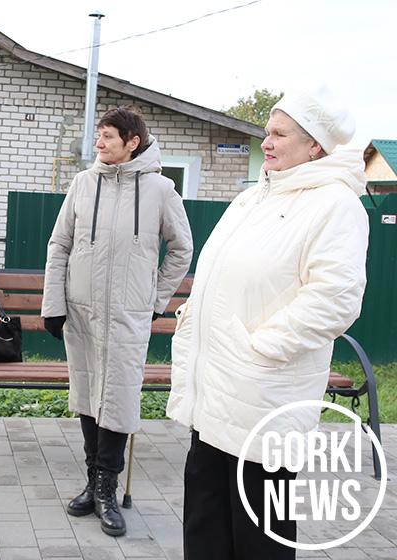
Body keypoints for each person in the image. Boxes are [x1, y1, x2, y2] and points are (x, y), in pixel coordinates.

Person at [166, 88, 369, 560]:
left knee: (260, 534)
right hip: (215, 392)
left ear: (314, 145)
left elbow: (336, 298)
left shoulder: (336, 205)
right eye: (267, 132)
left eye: (279, 134)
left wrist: (261, 348)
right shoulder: (252, 198)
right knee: (205, 522)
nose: (267, 142)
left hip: (264, 397)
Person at [41, 107, 193, 536]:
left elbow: (182, 249)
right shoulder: (82, 184)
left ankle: (107, 489)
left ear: (132, 142)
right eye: (99, 135)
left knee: (119, 399)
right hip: (83, 313)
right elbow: (59, 244)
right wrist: (54, 303)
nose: (99, 143)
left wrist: (155, 299)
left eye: (108, 136)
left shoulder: (161, 190)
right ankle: (92, 483)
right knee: (89, 394)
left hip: (128, 316)